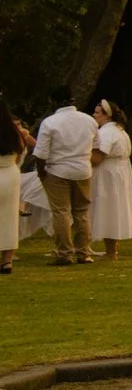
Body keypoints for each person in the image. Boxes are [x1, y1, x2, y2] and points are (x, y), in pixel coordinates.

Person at [32, 87, 97, 267]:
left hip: (57, 170)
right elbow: (96, 145)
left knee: (61, 212)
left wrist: (41, 172)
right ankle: (84, 252)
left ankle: (64, 252)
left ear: (54, 101)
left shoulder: (50, 122)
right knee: (81, 212)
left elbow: (41, 153)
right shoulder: (89, 120)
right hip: (83, 169)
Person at [87, 101, 132, 261]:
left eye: (97, 113)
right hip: (118, 173)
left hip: (107, 175)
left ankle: (110, 251)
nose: (94, 116)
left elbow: (97, 157)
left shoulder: (107, 133)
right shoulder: (120, 131)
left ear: (107, 115)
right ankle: (111, 250)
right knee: (114, 209)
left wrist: (78, 154)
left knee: (107, 209)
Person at [0, 103, 29, 274]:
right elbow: (21, 151)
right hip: (11, 173)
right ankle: (7, 259)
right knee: (9, 216)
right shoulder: (15, 132)